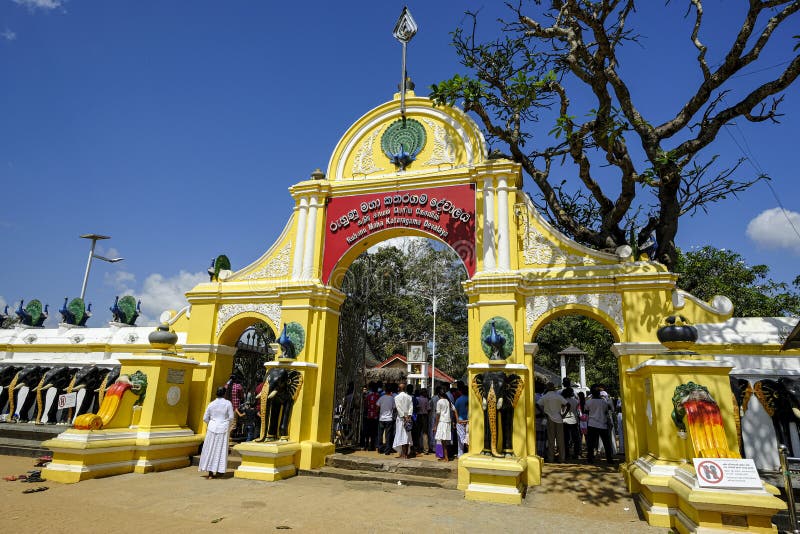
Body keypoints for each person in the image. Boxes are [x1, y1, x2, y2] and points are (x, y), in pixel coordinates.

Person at [198, 386, 234, 479]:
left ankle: (210, 473)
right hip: (223, 428)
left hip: (212, 428)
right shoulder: (228, 403)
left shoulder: (211, 404)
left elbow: (205, 418)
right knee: (220, 450)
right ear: (224, 394)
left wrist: (212, 424)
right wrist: (226, 425)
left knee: (210, 449)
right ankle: (219, 471)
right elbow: (231, 417)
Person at [585, 387, 616, 465]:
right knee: (606, 443)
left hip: (592, 424)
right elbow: (606, 411)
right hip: (602, 424)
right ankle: (609, 459)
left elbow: (586, 411)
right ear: (599, 393)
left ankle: (590, 459)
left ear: (591, 393)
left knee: (591, 443)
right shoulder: (604, 402)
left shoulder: (588, 402)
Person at [538, 382, 567, 463]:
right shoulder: (558, 396)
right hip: (559, 418)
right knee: (560, 440)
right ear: (554, 387)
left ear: (547, 387)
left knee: (551, 439)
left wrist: (543, 413)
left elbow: (537, 404)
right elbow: (567, 404)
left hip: (549, 418)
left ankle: (551, 458)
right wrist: (563, 414)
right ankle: (562, 458)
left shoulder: (545, 396)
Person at [434, 385, 457, 462]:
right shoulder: (448, 401)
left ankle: (446, 458)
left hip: (442, 422)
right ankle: (445, 457)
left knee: (443, 441)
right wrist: (455, 420)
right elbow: (454, 410)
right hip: (447, 422)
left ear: (438, 394)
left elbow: (438, 414)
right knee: (444, 441)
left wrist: (435, 426)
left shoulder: (439, 402)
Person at [392, 382, 414, 459]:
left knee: (401, 436)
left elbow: (398, 408)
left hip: (401, 419)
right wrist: (408, 417)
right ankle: (405, 454)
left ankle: (403, 454)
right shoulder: (409, 397)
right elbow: (411, 408)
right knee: (407, 436)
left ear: (399, 389)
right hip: (408, 418)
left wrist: (404, 417)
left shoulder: (397, 397)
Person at [376, 384, 395, 455]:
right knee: (388, 435)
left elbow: (377, 406)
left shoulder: (381, 398)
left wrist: (378, 412)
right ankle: (387, 450)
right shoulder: (392, 399)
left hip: (381, 418)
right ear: (390, 391)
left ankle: (380, 449)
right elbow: (394, 407)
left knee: (380, 434)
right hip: (389, 419)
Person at [363, 382, 380, 451]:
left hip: (369, 415)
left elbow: (365, 406)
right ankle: (372, 446)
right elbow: (378, 406)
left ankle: (366, 444)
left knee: (367, 431)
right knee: (374, 432)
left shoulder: (368, 396)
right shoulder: (378, 396)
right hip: (375, 416)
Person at [454, 383, 469, 457]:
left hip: (460, 422)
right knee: (468, 439)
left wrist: (456, 420)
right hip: (469, 422)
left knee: (460, 441)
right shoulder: (471, 399)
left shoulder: (458, 400)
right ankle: (469, 454)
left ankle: (460, 455)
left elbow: (455, 411)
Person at [414, 388, 431, 454]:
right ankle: (426, 449)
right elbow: (429, 409)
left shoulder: (417, 399)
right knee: (425, 433)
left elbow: (416, 407)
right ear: (424, 393)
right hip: (424, 416)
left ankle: (417, 448)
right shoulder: (426, 400)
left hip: (418, 416)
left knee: (418, 433)